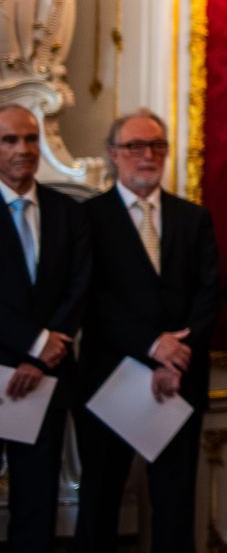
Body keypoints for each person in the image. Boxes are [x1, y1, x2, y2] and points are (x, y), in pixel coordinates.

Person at [74, 109, 219, 553]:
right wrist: (153, 345)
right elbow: (89, 297)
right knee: (100, 500)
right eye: (136, 146)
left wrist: (178, 354)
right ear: (114, 154)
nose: (148, 155)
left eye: (157, 146)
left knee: (175, 503)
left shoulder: (193, 218)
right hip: (110, 379)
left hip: (180, 380)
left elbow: (210, 294)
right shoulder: (86, 218)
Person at [0, 104, 88, 551]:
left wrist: (46, 353)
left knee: (36, 504)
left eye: (31, 139)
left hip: (47, 379)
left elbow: (79, 284)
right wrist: (34, 345)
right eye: (10, 140)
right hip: (5, 368)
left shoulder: (66, 211)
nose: (24, 150)